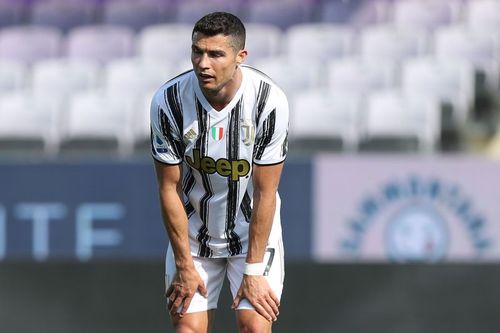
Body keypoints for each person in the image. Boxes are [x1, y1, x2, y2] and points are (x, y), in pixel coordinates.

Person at [150, 11, 289, 333]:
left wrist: (253, 271)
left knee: (254, 325)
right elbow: (168, 188)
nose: (203, 63)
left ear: (241, 57)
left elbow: (267, 192)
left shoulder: (268, 102)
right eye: (197, 51)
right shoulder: (168, 101)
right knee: (187, 328)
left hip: (250, 233)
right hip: (194, 234)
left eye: (215, 54)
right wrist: (184, 264)